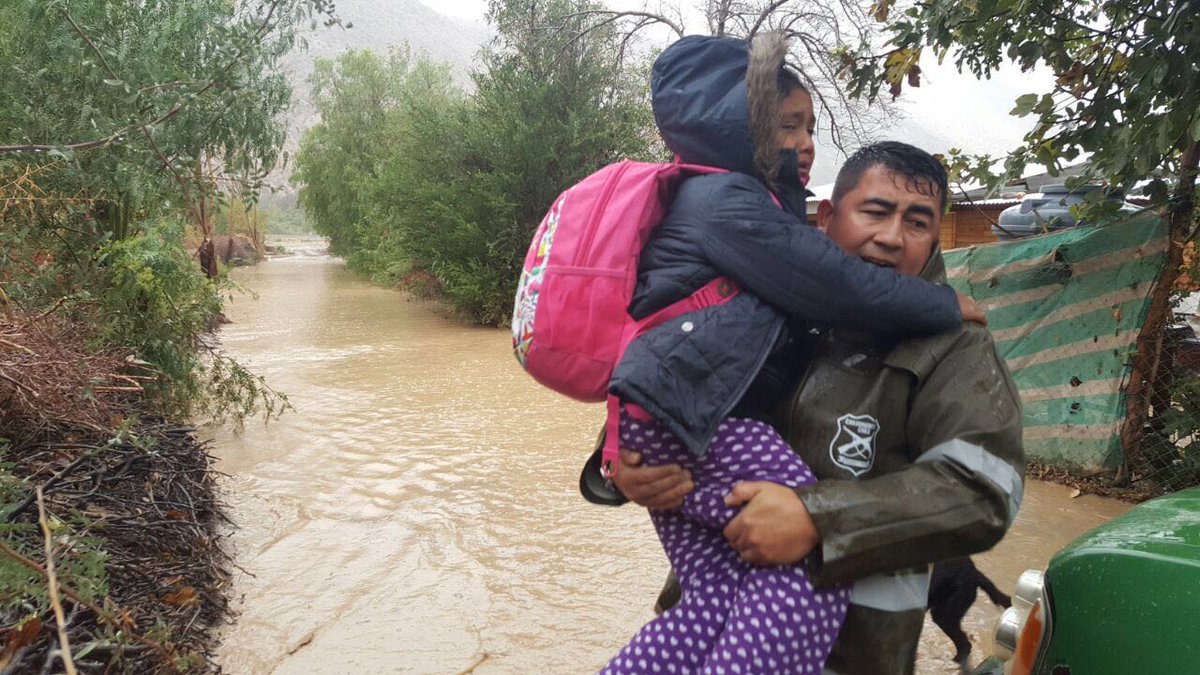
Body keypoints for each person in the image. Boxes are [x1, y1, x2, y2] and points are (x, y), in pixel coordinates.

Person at [593, 32, 989, 674]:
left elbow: (982, 494)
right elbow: (677, 366)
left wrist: (819, 519)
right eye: (876, 212)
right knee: (710, 603)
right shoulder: (784, 295)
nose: (891, 238)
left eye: (917, 222)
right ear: (827, 218)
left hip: (859, 651)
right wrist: (621, 466)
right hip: (711, 623)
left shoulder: (954, 346)